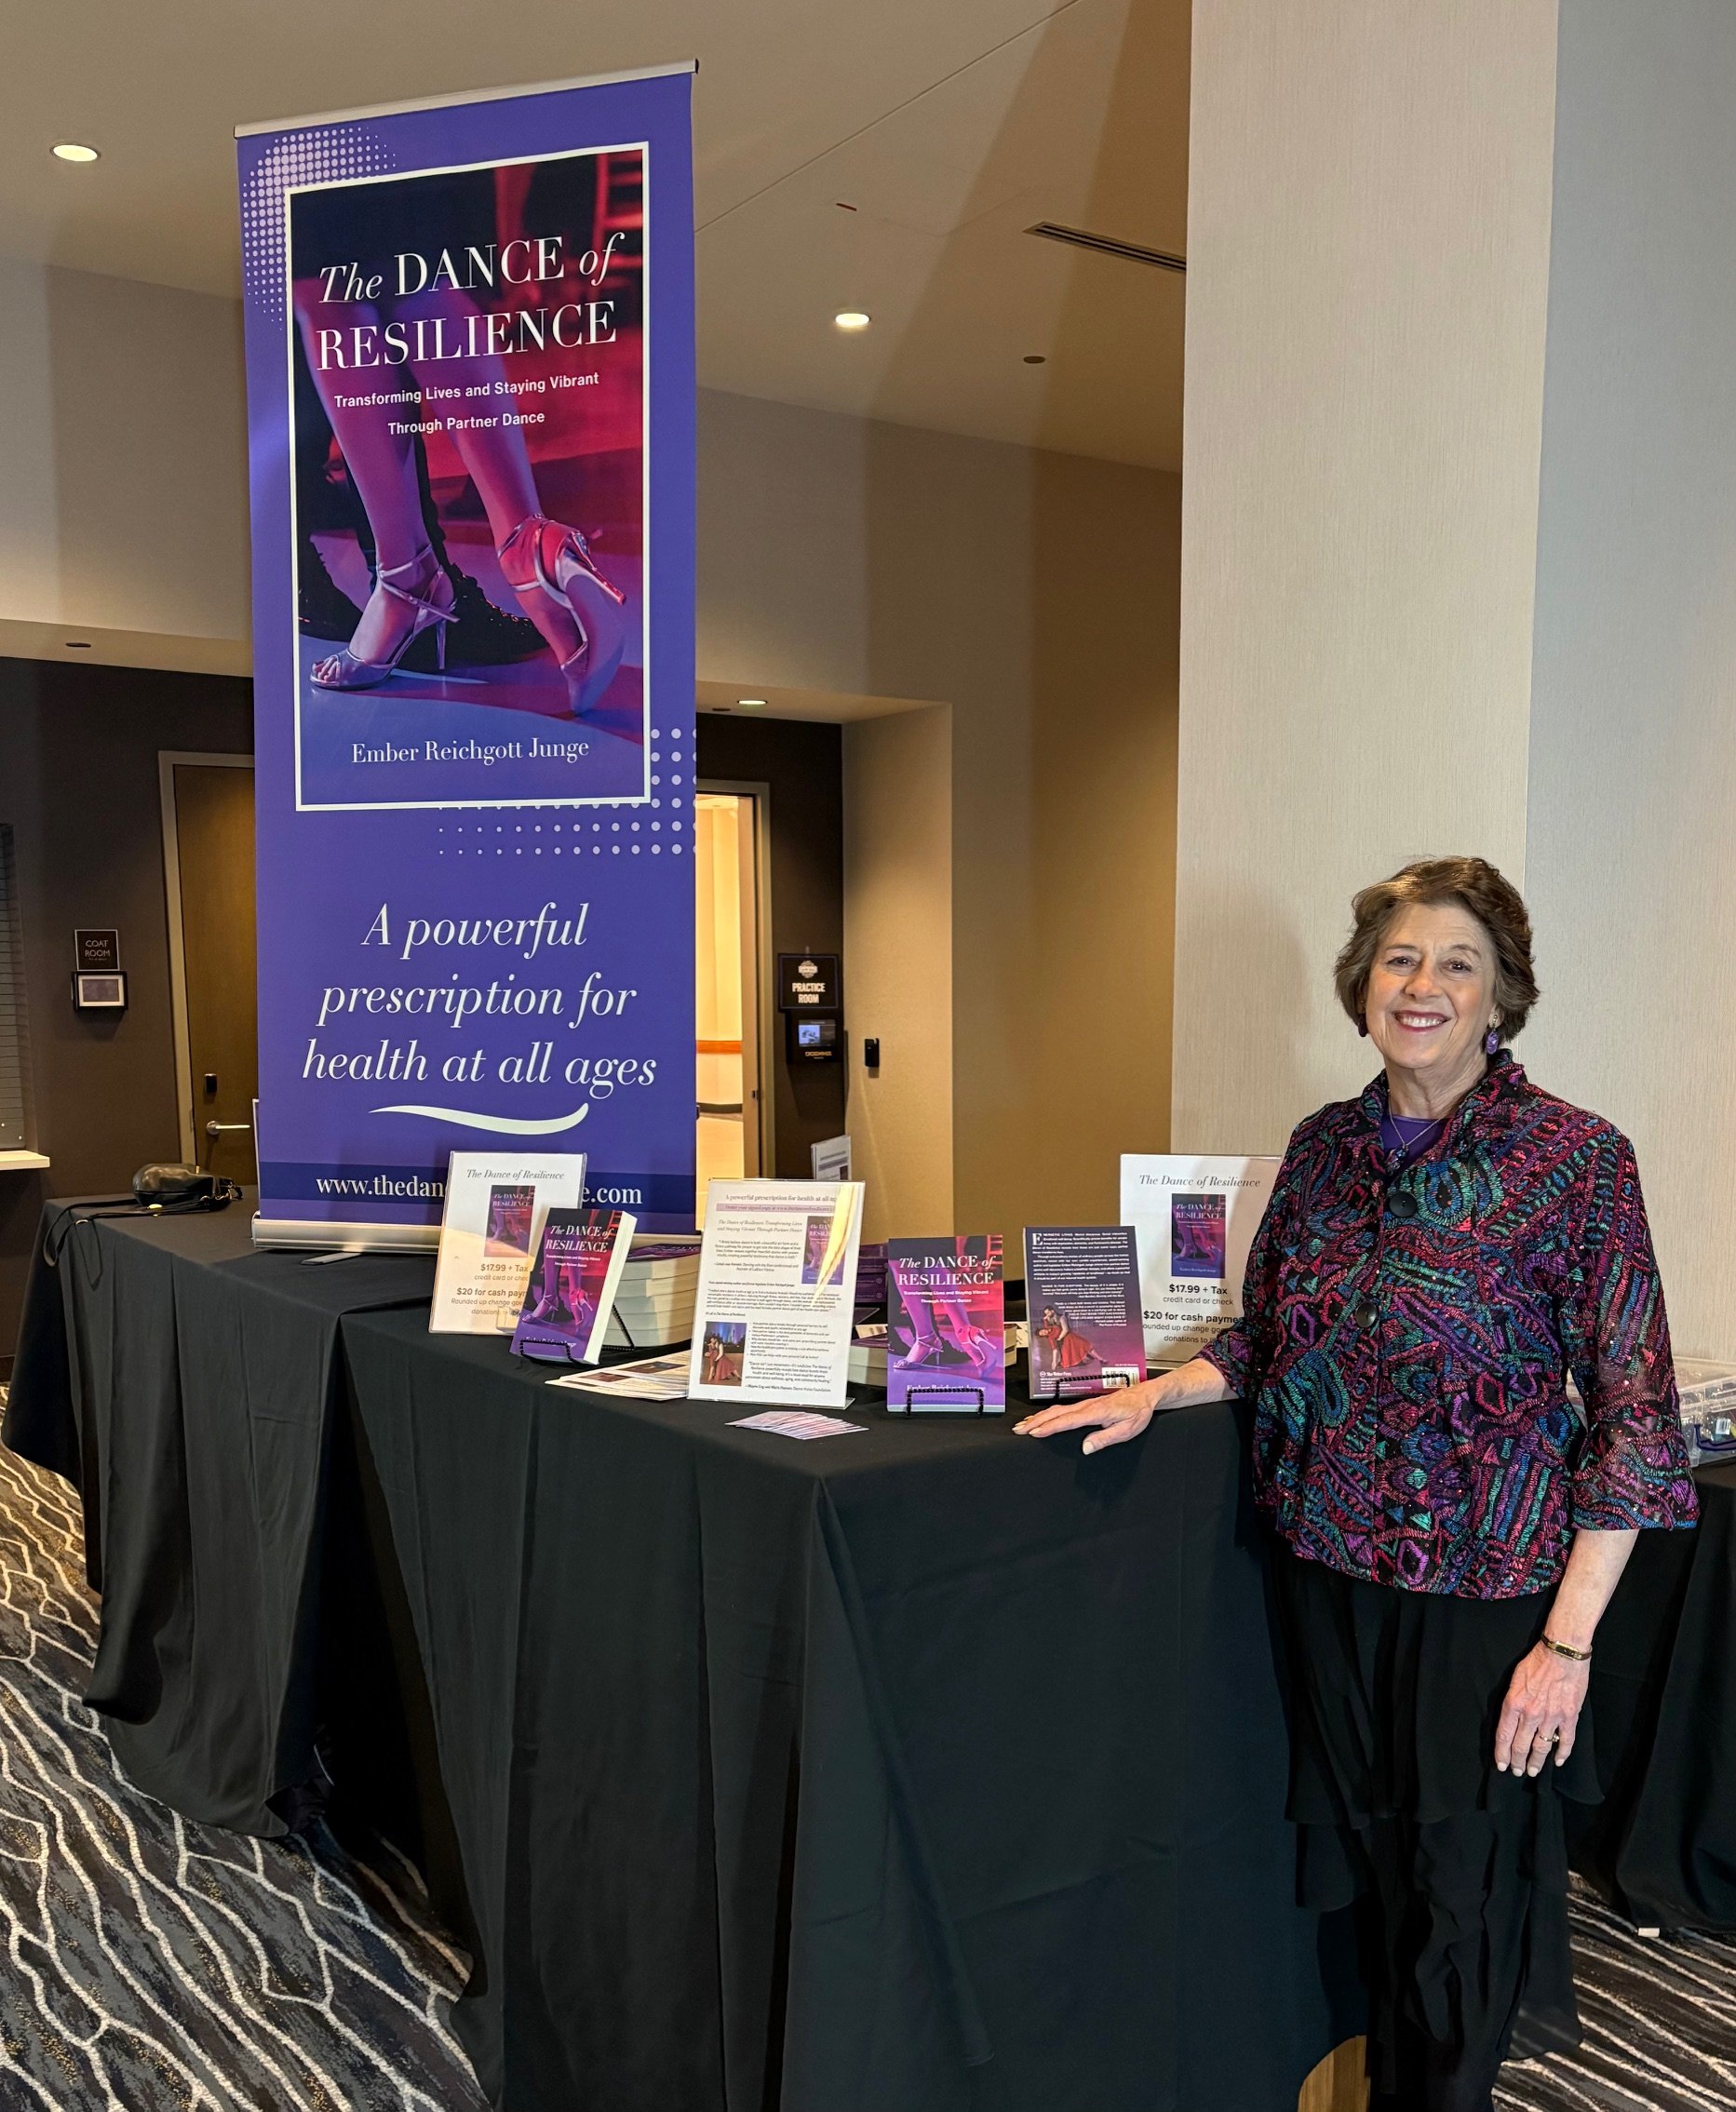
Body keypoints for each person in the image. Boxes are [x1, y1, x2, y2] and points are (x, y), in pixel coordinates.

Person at [1016, 855, 1698, 2112]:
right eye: (1398, 958)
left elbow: (1634, 1418)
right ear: (1360, 985)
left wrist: (1568, 1641)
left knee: (1461, 1892)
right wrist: (1150, 1388)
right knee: (1374, 1882)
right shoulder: (1322, 1150)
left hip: (1486, 1601)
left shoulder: (1574, 1160)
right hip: (1329, 1578)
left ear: (1500, 998)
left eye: (1456, 963)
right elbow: (1268, 1336)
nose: (1421, 984)